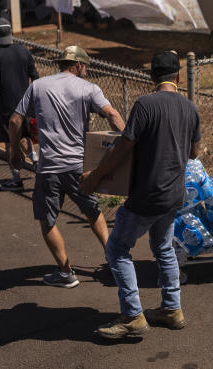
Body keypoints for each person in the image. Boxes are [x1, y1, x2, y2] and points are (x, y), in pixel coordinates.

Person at [81, 50, 201, 340]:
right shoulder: (190, 107)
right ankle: (172, 309)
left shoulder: (146, 105)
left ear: (151, 76)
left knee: (117, 248)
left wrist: (96, 176)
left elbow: (124, 146)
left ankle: (133, 316)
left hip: (148, 194)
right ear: (179, 77)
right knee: (163, 248)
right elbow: (194, 152)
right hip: (174, 193)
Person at [8, 45, 125, 288]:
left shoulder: (38, 86)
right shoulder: (88, 88)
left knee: (47, 220)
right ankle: (117, 265)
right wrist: (128, 144)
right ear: (79, 65)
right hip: (78, 167)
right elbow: (112, 115)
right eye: (86, 67)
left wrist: (14, 152)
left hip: (49, 167)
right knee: (93, 213)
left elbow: (15, 119)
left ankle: (65, 272)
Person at [0, 17, 39, 191]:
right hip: (26, 103)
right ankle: (37, 164)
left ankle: (16, 179)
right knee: (25, 136)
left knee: (9, 142)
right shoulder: (24, 51)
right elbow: (35, 76)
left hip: (6, 105)